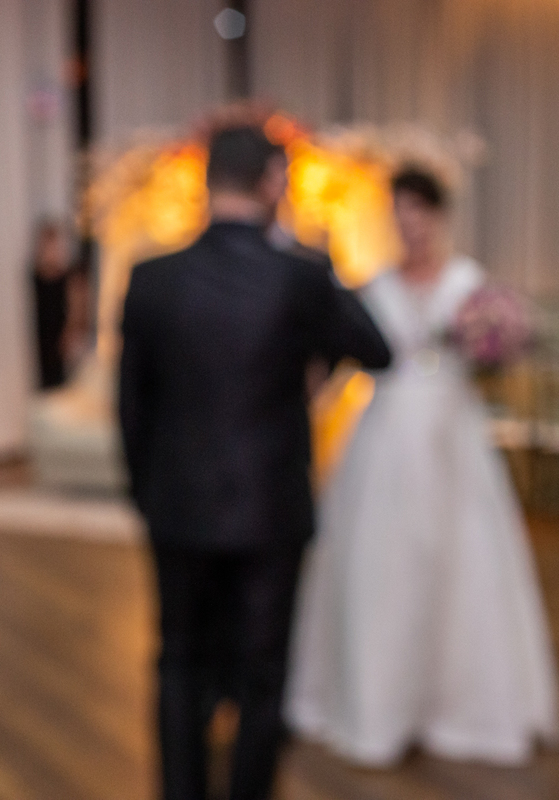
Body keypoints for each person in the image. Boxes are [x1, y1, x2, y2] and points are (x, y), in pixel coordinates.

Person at [117, 125, 391, 800]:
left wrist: (149, 496)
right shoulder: (300, 276)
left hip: (177, 505)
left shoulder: (152, 279)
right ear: (274, 182)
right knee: (263, 674)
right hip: (271, 508)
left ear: (207, 181)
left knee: (179, 664)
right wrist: (314, 263)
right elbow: (376, 348)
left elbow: (132, 408)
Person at [285, 167, 559, 766]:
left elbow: (498, 363)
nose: (410, 223)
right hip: (383, 436)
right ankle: (376, 699)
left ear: (439, 216)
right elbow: (339, 358)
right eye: (400, 211)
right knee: (380, 562)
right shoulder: (373, 286)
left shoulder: (468, 282)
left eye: (419, 210)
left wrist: (496, 341)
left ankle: (459, 704)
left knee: (465, 561)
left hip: (451, 436)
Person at [31, 221, 70, 389]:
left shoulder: (66, 277)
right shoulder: (33, 278)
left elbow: (72, 311)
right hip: (39, 340)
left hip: (58, 341)